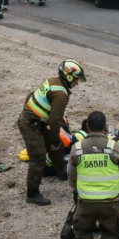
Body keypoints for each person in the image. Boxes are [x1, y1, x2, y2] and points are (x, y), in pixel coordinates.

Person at [17, 60, 86, 205]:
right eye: (76, 79)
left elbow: (30, 96)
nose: (77, 83)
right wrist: (54, 140)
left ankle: (60, 171)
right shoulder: (60, 94)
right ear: (69, 77)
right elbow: (55, 120)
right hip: (30, 125)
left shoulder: (53, 81)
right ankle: (32, 194)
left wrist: (55, 141)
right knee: (38, 158)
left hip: (37, 121)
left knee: (57, 146)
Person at [67, 111, 119, 239]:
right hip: (111, 202)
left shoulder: (77, 148)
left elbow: (71, 175)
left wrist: (76, 192)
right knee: (111, 230)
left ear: (87, 126)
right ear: (105, 126)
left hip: (86, 202)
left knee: (82, 229)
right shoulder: (114, 147)